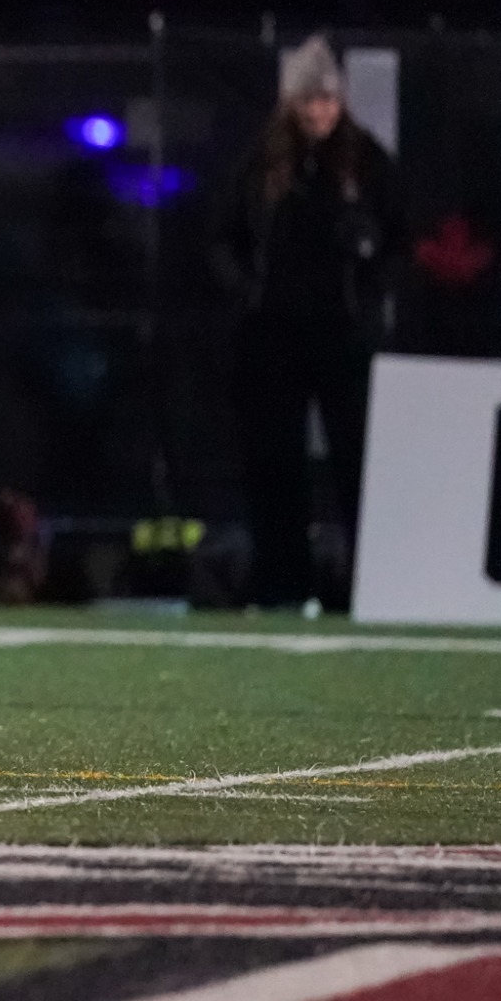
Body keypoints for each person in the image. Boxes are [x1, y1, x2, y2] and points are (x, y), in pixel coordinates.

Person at [212, 34, 403, 610]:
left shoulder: (366, 159)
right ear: (290, 103)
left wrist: (369, 282)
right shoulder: (262, 161)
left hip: (341, 331)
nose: (320, 112)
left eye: (328, 100)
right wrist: (249, 292)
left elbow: (397, 237)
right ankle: (280, 582)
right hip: (272, 333)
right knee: (274, 461)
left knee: (356, 460)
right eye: (309, 102)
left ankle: (360, 583)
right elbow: (223, 238)